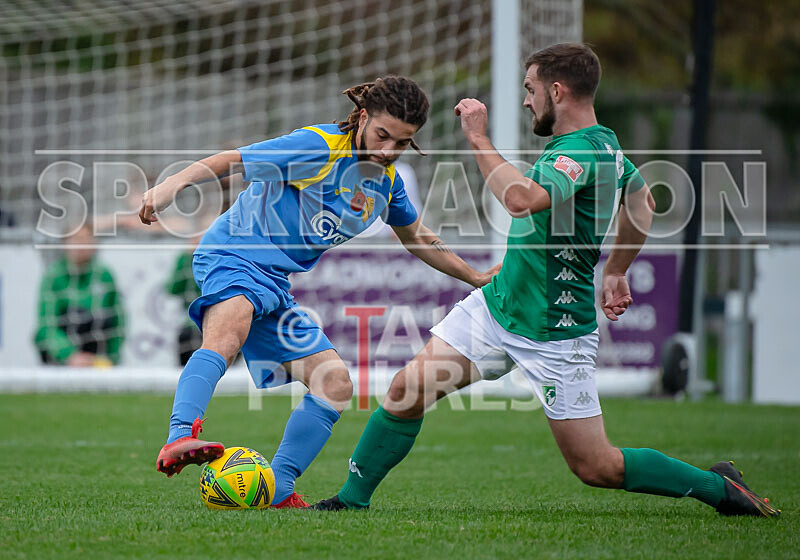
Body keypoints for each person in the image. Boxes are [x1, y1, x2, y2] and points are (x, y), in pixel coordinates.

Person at [312, 44, 780, 517]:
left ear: (558, 90)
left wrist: (477, 138)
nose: (526, 100)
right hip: (500, 305)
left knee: (596, 467)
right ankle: (350, 502)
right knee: (405, 391)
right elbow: (643, 205)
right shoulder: (605, 143)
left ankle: (717, 487)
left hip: (555, 329)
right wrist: (616, 269)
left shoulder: (578, 152)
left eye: (531, 89)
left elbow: (521, 200)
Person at [138, 76, 499, 508]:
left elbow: (418, 238)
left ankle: (279, 489)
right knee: (226, 337)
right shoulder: (319, 147)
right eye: (383, 135)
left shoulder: (385, 183)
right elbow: (234, 159)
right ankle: (179, 438)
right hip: (232, 254)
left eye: (401, 144)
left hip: (274, 284)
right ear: (363, 117)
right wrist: (170, 186)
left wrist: (474, 276)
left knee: (334, 383)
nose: (388, 150)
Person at [34, 223, 125, 367]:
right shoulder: (54, 276)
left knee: (99, 318)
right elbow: (47, 324)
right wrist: (69, 356)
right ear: (65, 244)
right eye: (76, 240)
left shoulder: (103, 274)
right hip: (62, 350)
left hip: (96, 349)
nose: (81, 246)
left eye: (86, 240)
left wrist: (112, 358)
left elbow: (118, 319)